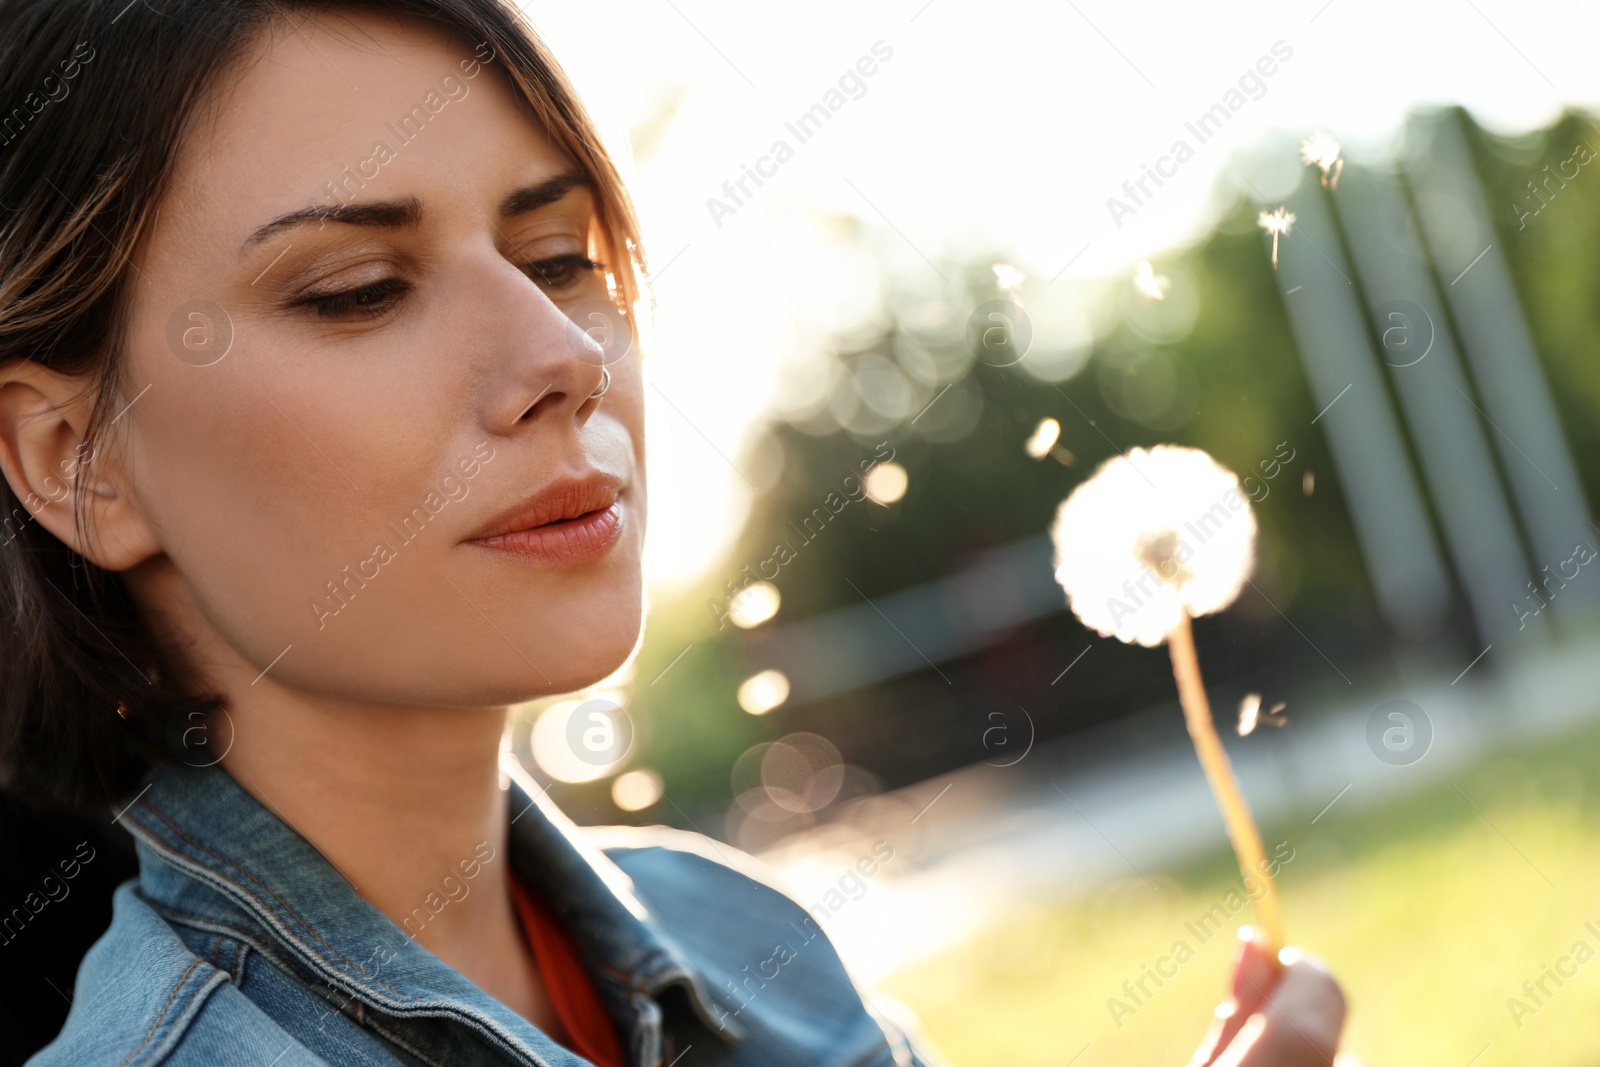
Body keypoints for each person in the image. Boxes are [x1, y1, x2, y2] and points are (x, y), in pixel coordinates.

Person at [0, 1, 1355, 1063]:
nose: (560, 355)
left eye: (557, 256)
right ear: (79, 463)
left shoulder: (753, 940)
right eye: (360, 289)